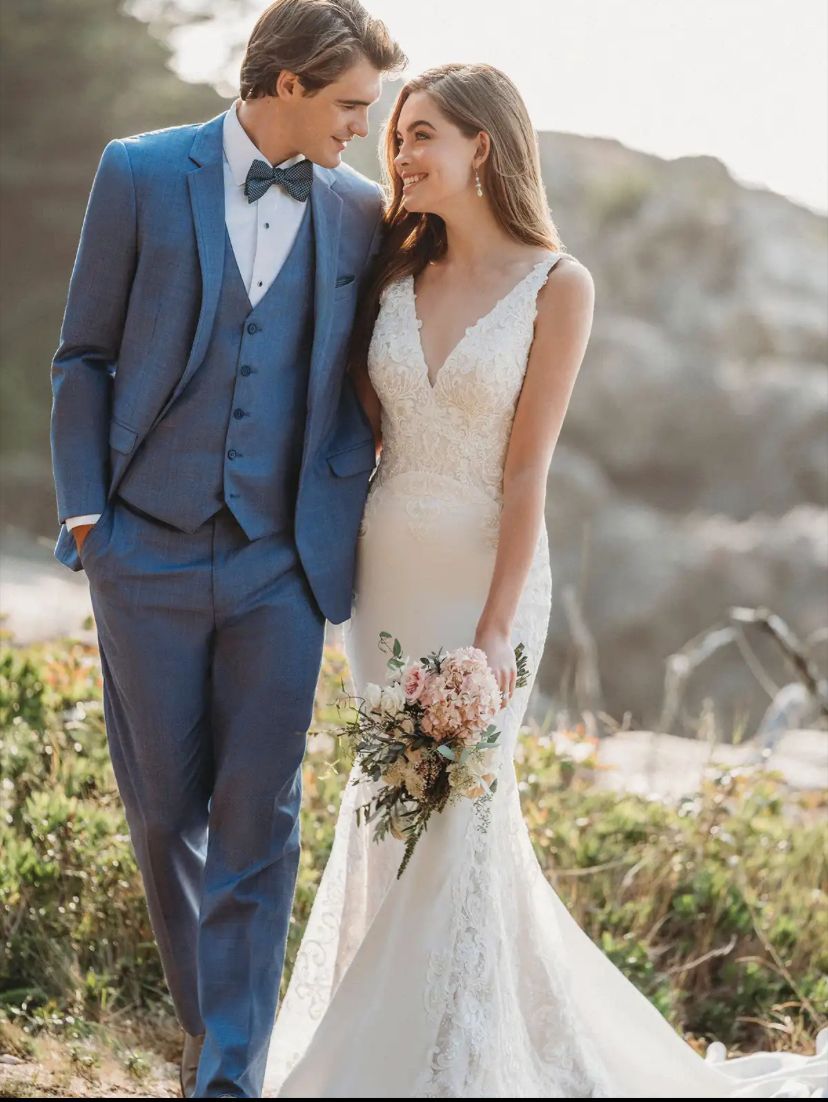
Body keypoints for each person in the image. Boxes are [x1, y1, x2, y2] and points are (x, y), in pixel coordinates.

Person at [263, 63, 828, 1098]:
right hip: (388, 574)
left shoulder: (557, 284)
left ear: (486, 145)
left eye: (423, 133)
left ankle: (448, 1065)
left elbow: (528, 474)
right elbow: (357, 430)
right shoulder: (390, 272)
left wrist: (488, 635)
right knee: (391, 800)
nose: (401, 153)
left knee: (463, 812)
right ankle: (390, 1049)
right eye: (395, 135)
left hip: (491, 578)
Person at [48, 1, 405, 1095]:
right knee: (165, 812)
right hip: (140, 542)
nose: (363, 126)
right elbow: (84, 355)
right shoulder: (141, 170)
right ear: (288, 82)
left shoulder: (358, 214)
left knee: (262, 809)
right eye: (350, 103)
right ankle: (219, 1026)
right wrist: (86, 513)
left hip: (279, 561)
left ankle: (230, 1074)